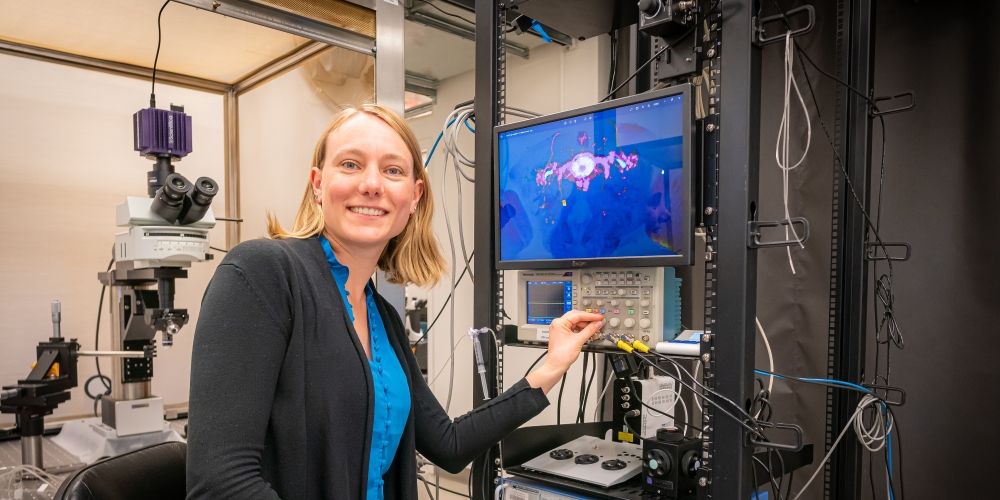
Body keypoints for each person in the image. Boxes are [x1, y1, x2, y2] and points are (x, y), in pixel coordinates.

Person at [186, 104, 605, 500]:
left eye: (392, 170)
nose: (371, 184)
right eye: (350, 164)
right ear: (318, 184)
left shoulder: (380, 314)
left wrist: (552, 366)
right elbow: (223, 483)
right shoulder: (263, 272)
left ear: (414, 195)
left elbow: (448, 443)